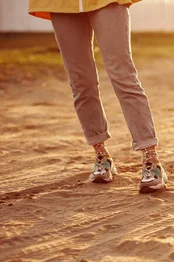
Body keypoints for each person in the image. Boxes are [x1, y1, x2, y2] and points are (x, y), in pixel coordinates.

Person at [28, 0, 167, 193]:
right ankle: (101, 155)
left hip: (107, 1)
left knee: (122, 76)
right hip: (61, 3)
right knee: (81, 82)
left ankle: (150, 158)